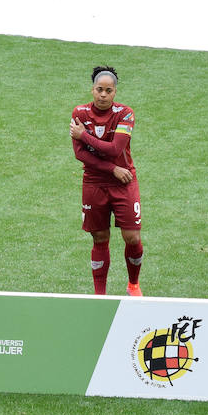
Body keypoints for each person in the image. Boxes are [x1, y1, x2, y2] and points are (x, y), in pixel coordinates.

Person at [70, 66, 142, 296]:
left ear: (114, 93)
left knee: (132, 237)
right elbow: (80, 154)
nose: (103, 94)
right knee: (100, 238)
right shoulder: (79, 113)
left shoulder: (125, 113)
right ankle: (99, 295)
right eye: (99, 89)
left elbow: (114, 149)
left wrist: (84, 136)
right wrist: (112, 170)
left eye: (108, 90)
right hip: (94, 183)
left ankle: (133, 285)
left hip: (124, 182)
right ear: (92, 90)